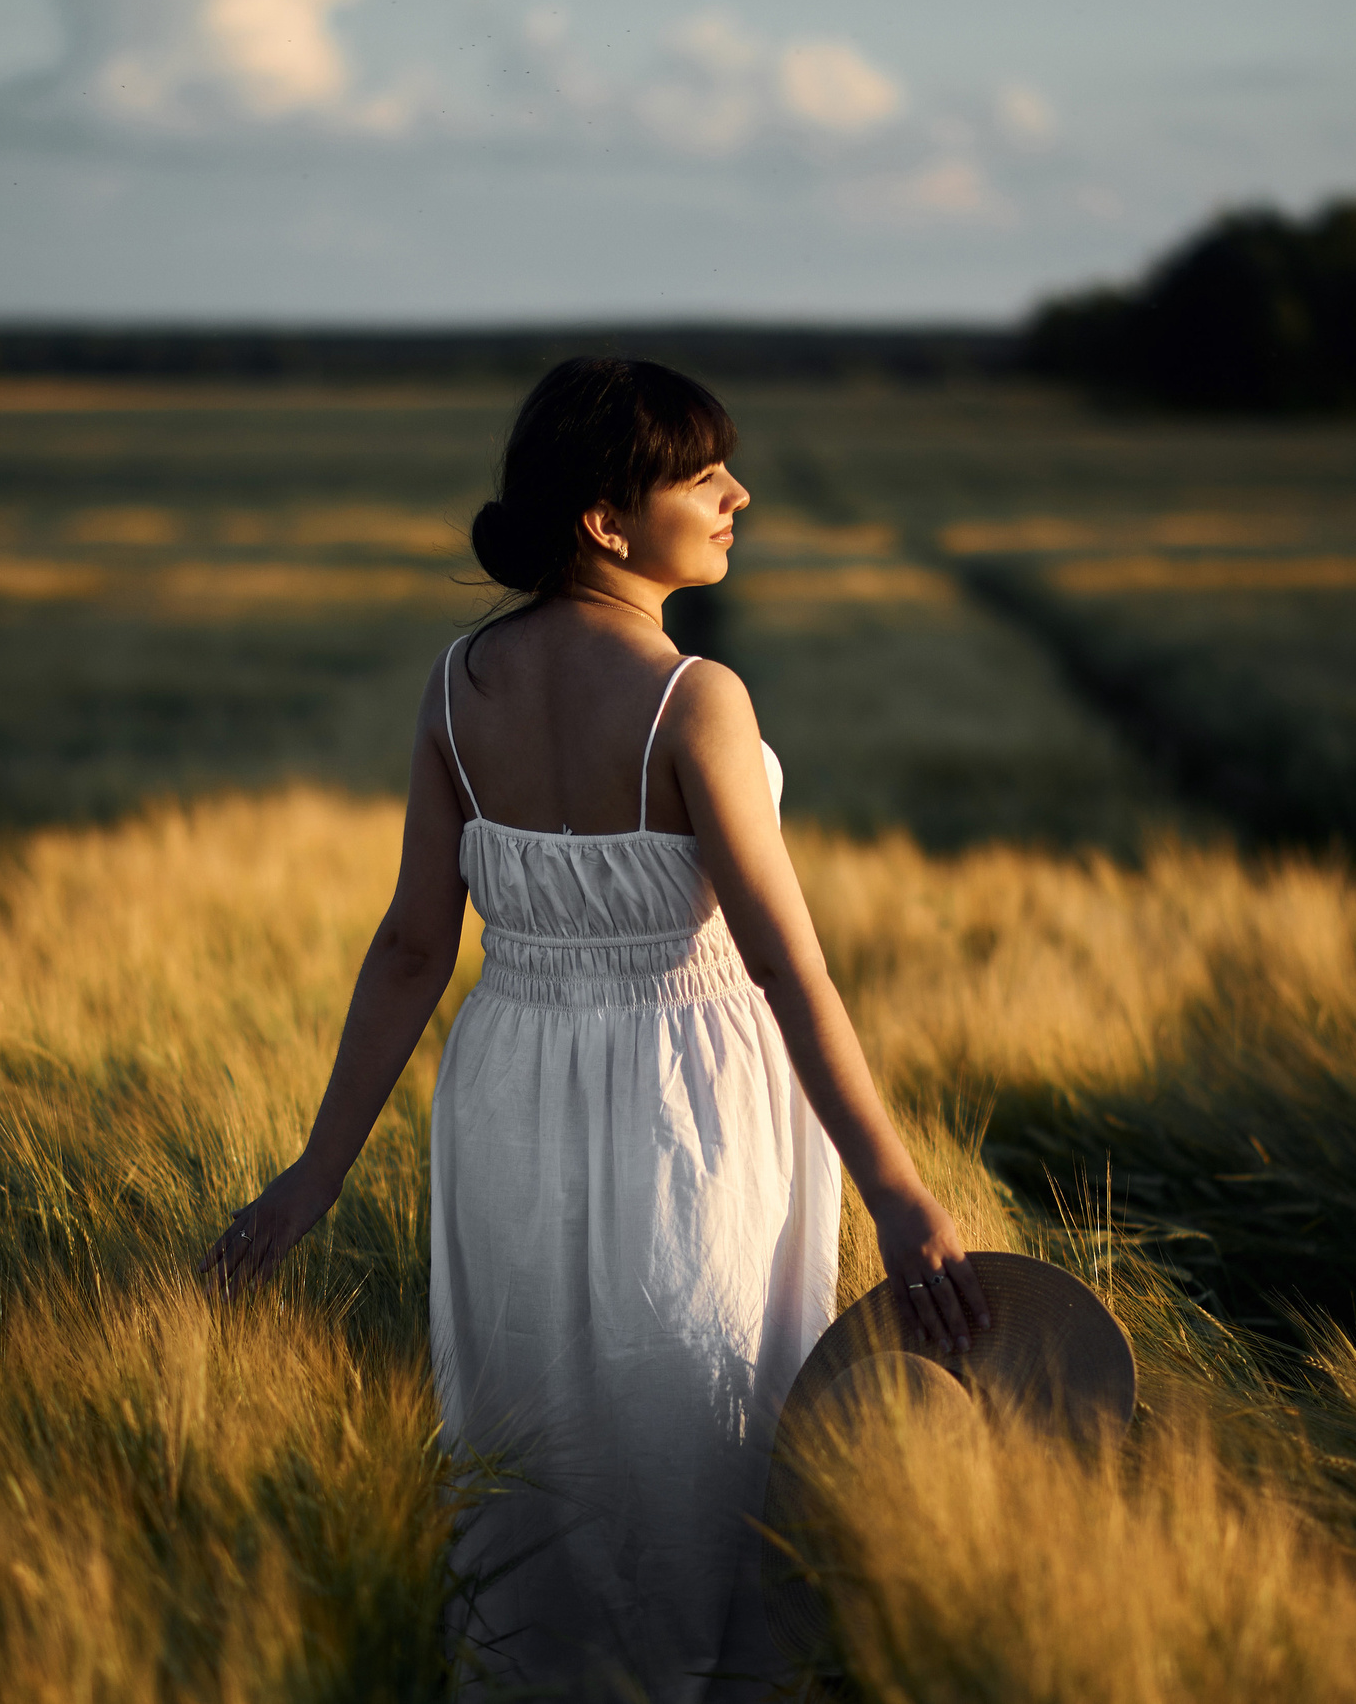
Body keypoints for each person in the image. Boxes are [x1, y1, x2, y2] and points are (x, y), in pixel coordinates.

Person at [197, 357, 989, 1700]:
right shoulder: (697, 700)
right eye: (702, 474)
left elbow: (409, 948)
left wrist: (311, 1175)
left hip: (507, 1088)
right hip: (690, 1101)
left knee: (537, 1422)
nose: (740, 493)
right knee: (704, 1402)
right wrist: (899, 1188)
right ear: (605, 523)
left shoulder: (461, 684)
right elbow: (788, 966)